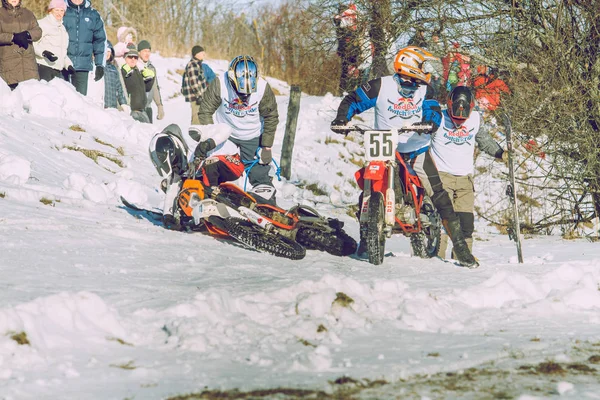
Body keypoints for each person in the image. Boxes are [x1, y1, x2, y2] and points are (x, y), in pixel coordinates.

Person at [330, 46, 478, 268]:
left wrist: (430, 123)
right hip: (385, 146)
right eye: (420, 66)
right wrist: (342, 119)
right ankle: (365, 239)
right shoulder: (381, 85)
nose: (424, 71)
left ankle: (462, 249)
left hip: (416, 149)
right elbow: (353, 99)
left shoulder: (424, 89)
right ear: (408, 64)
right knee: (368, 187)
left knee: (439, 195)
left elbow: (433, 110)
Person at [429, 86, 507, 259]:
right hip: (442, 177)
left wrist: (501, 153)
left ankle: (462, 257)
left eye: (462, 119)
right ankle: (437, 257)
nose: (458, 123)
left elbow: (484, 141)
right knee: (443, 220)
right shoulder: (438, 117)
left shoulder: (475, 119)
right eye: (455, 118)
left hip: (465, 178)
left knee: (466, 222)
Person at [197, 55, 279, 206]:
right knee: (214, 164)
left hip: (252, 135)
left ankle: (267, 207)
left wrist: (266, 146)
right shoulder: (220, 84)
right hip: (226, 133)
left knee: (259, 171)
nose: (245, 96)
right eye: (241, 93)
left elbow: (271, 116)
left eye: (248, 93)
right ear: (232, 79)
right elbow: (205, 111)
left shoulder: (262, 87)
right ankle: (210, 197)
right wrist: (212, 135)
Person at [149, 123, 243, 230]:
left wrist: (209, 143)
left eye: (175, 160)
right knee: (181, 189)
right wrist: (168, 215)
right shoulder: (179, 165)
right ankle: (206, 215)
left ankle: (212, 200)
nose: (176, 164)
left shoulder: (192, 134)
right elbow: (172, 188)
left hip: (231, 164)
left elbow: (226, 128)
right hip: (211, 178)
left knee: (209, 163)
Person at [63, 0, 106, 95]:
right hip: (63, 64)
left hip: (83, 67)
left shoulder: (93, 14)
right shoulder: (62, 10)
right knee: (63, 100)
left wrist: (100, 64)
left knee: (80, 102)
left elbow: (100, 40)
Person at [0, 0, 42, 90]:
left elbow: (38, 31)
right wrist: (12, 37)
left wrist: (27, 34)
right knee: (12, 102)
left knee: (31, 101)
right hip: (9, 68)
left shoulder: (28, 14)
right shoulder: (1, 14)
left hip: (29, 68)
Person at [34, 0, 74, 82]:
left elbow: (61, 50)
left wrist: (68, 65)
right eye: (56, 10)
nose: (59, 13)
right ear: (50, 10)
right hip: (43, 67)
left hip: (57, 69)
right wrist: (44, 53)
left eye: (62, 10)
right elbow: (32, 44)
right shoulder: (43, 24)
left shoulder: (62, 28)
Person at [181, 45, 216, 124]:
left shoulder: (198, 64)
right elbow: (194, 84)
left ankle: (203, 134)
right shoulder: (192, 65)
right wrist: (199, 96)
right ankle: (196, 135)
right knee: (196, 119)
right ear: (197, 54)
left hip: (200, 95)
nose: (204, 54)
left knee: (202, 118)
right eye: (202, 53)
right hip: (196, 97)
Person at [121, 47, 153, 123]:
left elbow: (147, 87)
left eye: (135, 57)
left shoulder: (138, 71)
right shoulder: (123, 71)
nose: (133, 59)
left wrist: (148, 76)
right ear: (125, 58)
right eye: (130, 57)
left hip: (142, 110)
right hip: (132, 111)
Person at [137, 39, 164, 122]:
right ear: (139, 52)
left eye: (149, 51)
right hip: (137, 109)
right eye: (145, 51)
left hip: (148, 108)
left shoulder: (151, 68)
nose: (147, 53)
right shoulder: (135, 66)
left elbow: (155, 87)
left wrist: (159, 105)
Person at [103, 40, 127, 110]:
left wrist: (123, 103)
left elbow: (119, 87)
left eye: (109, 51)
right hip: (101, 106)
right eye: (105, 51)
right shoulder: (96, 67)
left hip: (112, 107)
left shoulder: (113, 69)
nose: (107, 53)